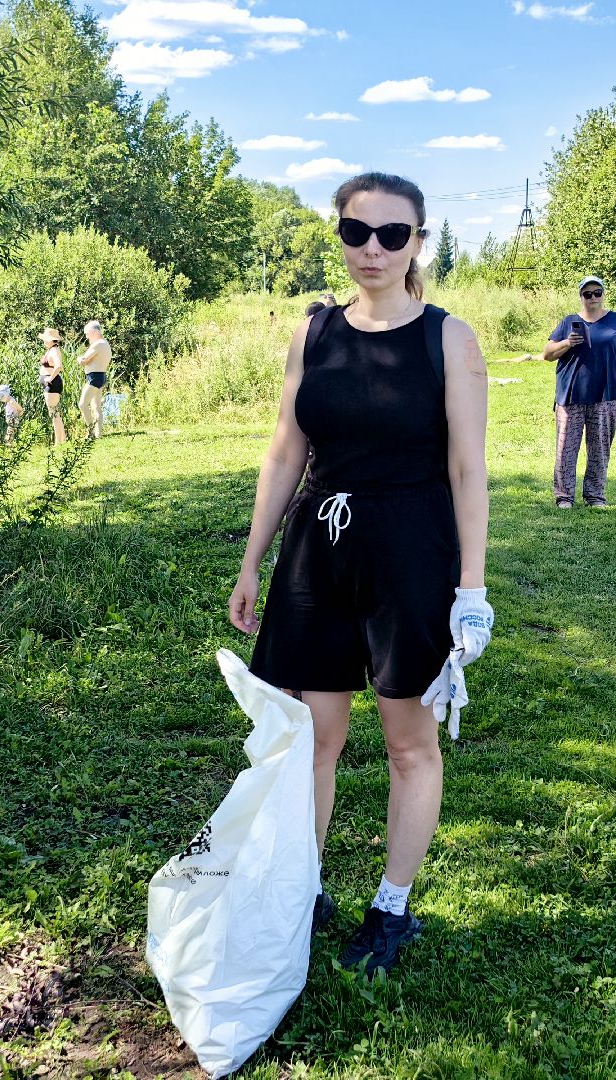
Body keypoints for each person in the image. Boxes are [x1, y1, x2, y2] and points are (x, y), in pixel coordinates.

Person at [228, 171, 490, 977]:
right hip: (319, 550)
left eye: (391, 234)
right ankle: (304, 889)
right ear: (338, 234)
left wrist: (471, 590)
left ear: (419, 241)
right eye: (355, 232)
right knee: (313, 738)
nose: (371, 249)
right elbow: (285, 450)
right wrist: (253, 561)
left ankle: (391, 908)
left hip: (411, 554)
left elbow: (468, 469)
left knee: (409, 743)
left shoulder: (448, 338)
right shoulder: (313, 334)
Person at [542, 276, 616, 508]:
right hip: (571, 394)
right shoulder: (569, 322)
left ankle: (595, 496)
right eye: (587, 293)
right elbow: (547, 353)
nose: (593, 297)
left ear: (603, 294)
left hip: (608, 394)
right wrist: (566, 343)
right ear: (581, 296)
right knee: (566, 447)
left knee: (599, 448)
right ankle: (564, 497)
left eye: (597, 292)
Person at [76, 320, 112, 440]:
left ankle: (90, 432)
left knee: (82, 404)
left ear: (93, 331)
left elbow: (84, 360)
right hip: (100, 376)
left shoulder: (98, 344)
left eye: (87, 333)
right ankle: (99, 433)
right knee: (96, 406)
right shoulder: (105, 343)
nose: (86, 336)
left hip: (94, 377)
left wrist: (79, 358)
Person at [38, 328, 67, 446]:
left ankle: (58, 442)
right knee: (54, 413)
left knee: (54, 413)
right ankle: (61, 439)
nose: (44, 341)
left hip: (52, 384)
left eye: (46, 339)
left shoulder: (54, 351)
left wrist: (49, 379)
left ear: (51, 340)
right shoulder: (51, 350)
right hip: (50, 383)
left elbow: (58, 366)